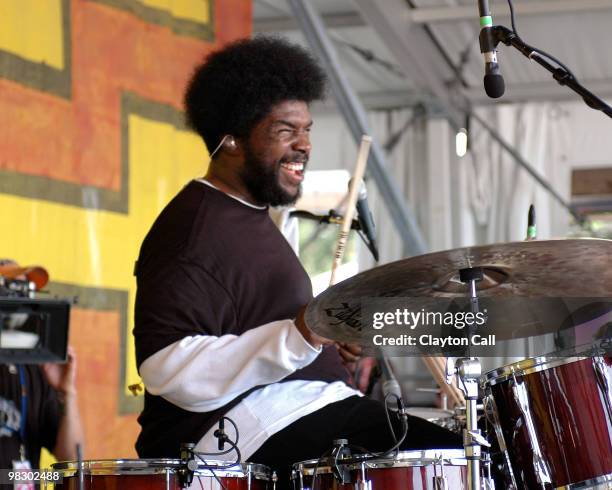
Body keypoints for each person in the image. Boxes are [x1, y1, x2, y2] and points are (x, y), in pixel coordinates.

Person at [133, 36, 460, 488]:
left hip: (300, 408)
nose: (304, 145)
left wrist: (329, 342)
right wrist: (300, 335)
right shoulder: (192, 230)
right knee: (443, 461)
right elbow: (165, 367)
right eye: (286, 130)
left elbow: (266, 332)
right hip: (233, 437)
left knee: (457, 453)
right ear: (230, 140)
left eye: (307, 130)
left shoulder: (250, 216)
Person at [0, 261, 85, 479]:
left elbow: (71, 460)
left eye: (25, 291)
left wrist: (68, 393)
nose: (19, 300)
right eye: (9, 289)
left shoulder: (38, 367)